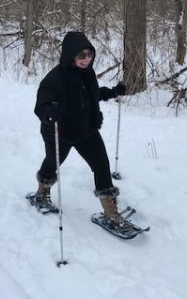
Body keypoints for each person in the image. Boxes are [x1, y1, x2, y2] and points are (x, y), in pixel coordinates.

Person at [28, 31, 126, 225]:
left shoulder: (87, 73)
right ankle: (42, 193)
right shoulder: (55, 78)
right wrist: (49, 112)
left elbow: (89, 94)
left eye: (89, 54)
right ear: (70, 54)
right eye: (81, 55)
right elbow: (41, 104)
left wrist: (112, 92)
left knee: (101, 164)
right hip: (59, 131)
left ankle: (110, 213)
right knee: (53, 162)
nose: (86, 59)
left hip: (85, 129)